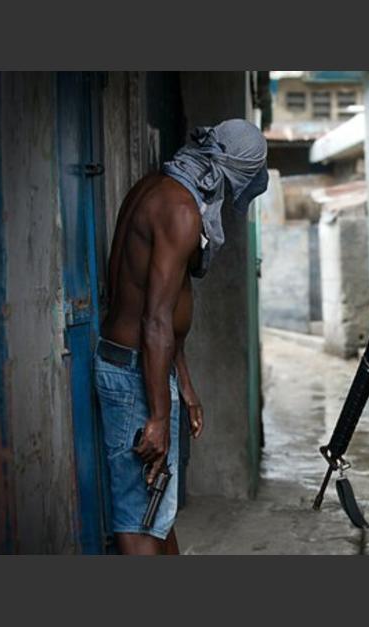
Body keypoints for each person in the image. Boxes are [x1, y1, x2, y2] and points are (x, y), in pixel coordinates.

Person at [94, 119, 268, 555]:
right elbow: (154, 320)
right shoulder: (182, 212)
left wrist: (183, 384)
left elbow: (166, 306)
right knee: (137, 525)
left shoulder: (155, 189)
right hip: (137, 373)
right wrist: (157, 415)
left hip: (142, 367)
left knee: (156, 515)